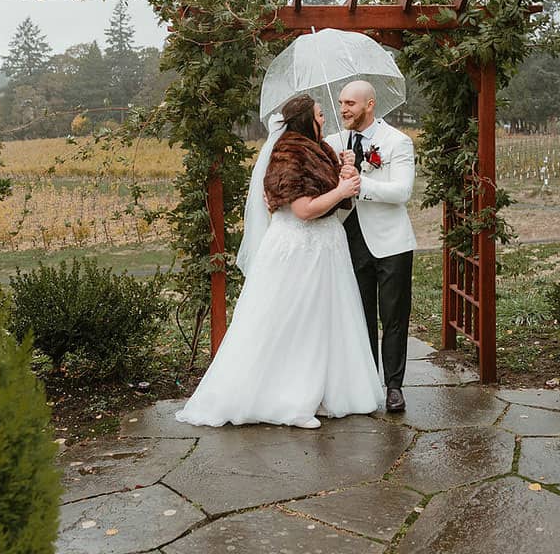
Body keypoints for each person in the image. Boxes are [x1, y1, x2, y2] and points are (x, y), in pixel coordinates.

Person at [174, 94, 384, 429]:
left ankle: (325, 393)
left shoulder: (324, 150)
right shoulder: (287, 154)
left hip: (327, 248)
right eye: (319, 114)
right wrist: (342, 191)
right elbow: (303, 211)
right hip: (299, 250)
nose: (325, 119)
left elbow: (334, 203)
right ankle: (290, 399)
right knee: (294, 322)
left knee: (324, 322)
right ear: (305, 119)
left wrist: (346, 173)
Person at [325, 80, 417, 413]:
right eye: (340, 103)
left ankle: (394, 387)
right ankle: (364, 386)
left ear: (370, 105)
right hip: (349, 239)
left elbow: (402, 192)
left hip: (391, 242)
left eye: (350, 103)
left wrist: (359, 182)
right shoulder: (334, 143)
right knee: (359, 314)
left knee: (393, 317)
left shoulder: (397, 142)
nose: (344, 109)